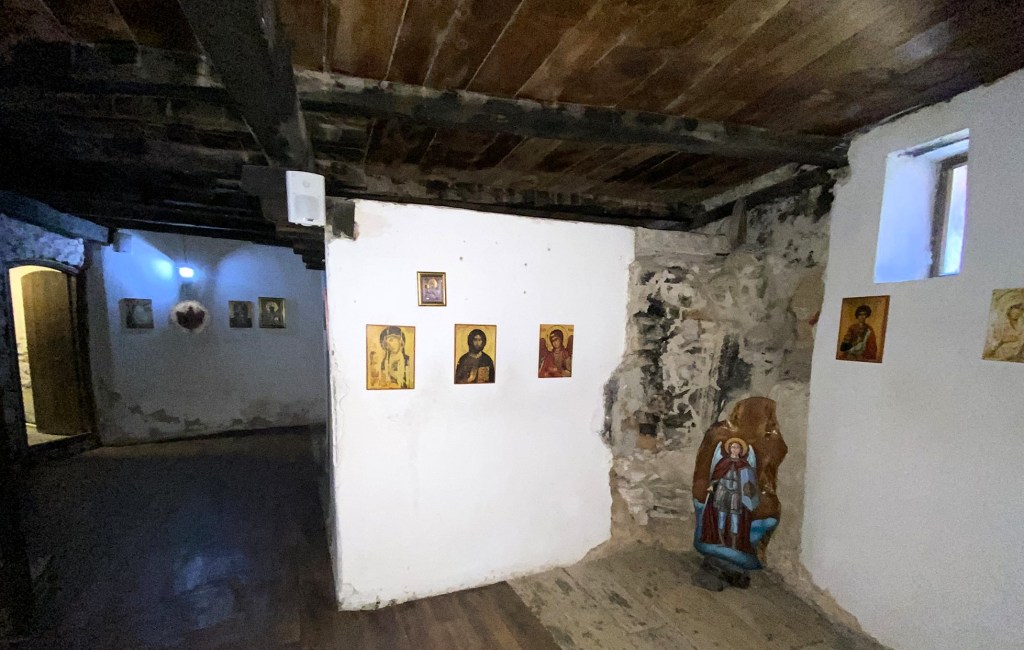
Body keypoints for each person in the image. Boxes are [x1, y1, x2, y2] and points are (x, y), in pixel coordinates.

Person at [699, 438, 759, 554]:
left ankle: (734, 544)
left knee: (734, 518)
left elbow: (749, 481)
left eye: (737, 447)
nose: (734, 449)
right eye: (732, 447)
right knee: (721, 516)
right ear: (729, 449)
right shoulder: (723, 462)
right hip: (722, 491)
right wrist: (712, 485)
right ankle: (721, 540)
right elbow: (716, 475)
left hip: (736, 494)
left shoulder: (744, 464)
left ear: (741, 450)